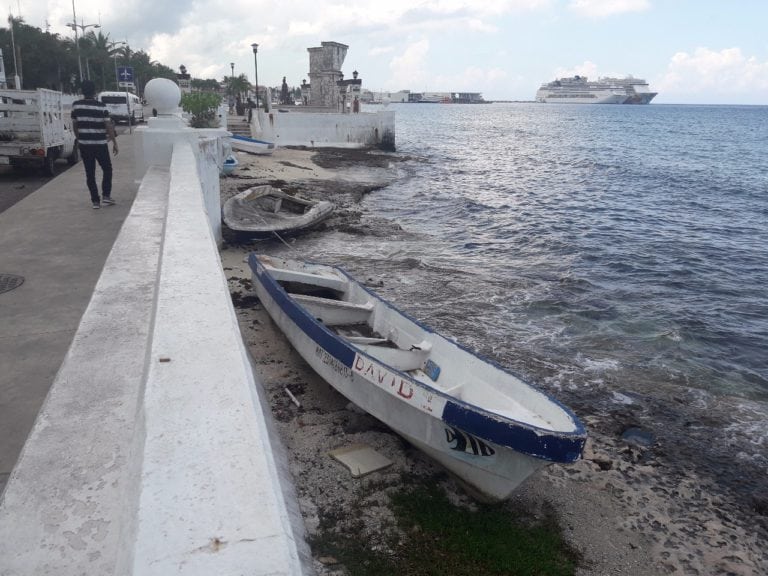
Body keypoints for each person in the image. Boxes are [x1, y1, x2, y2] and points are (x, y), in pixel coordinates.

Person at [71, 80, 118, 209]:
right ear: (94, 91)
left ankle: (95, 201)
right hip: (100, 144)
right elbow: (108, 125)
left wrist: (80, 138)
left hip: (85, 145)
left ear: (82, 91)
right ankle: (106, 196)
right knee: (107, 169)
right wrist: (114, 142)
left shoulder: (76, 106)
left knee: (90, 173)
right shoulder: (101, 106)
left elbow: (75, 125)